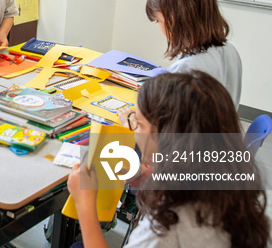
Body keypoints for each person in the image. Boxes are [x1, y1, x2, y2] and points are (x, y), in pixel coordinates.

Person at [68, 71, 269, 248]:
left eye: (137, 124)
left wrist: (84, 204)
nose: (133, 131)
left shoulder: (164, 230)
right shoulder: (228, 187)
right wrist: (142, 173)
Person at [145, 0, 242, 107]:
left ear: (175, 19)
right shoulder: (230, 51)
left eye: (159, 20)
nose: (160, 27)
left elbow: (165, 124)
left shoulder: (184, 71)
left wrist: (133, 120)